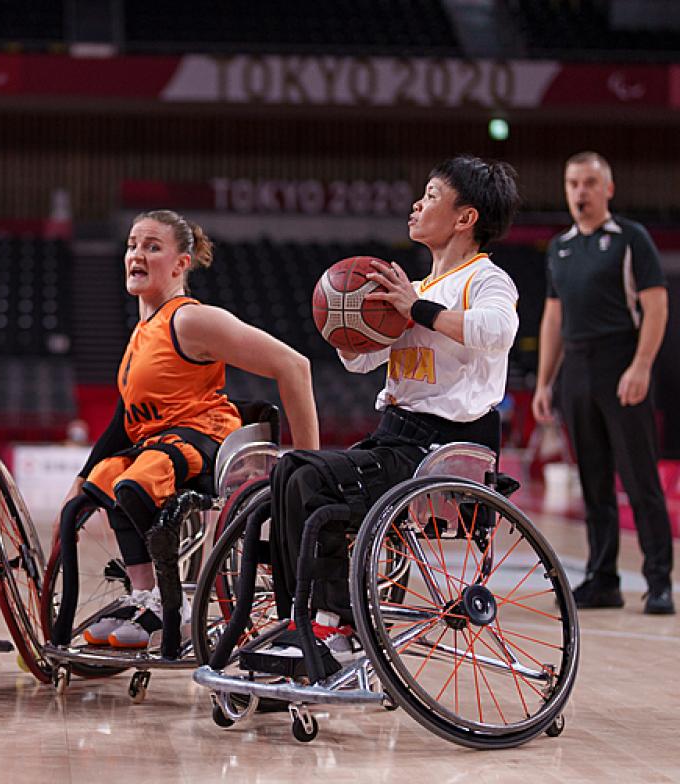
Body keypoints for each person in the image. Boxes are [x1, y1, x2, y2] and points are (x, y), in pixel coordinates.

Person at [253, 155, 522, 668]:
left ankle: (337, 625)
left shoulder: (488, 280)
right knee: (289, 470)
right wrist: (343, 320)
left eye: (432, 195)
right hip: (396, 436)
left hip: (444, 446)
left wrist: (415, 310)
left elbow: (498, 333)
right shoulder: (413, 289)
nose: (417, 204)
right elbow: (362, 362)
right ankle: (299, 619)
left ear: (465, 218)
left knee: (313, 482)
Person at [61, 209, 320, 650]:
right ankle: (144, 599)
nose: (136, 254)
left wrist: (307, 466)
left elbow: (295, 365)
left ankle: (172, 607)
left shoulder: (190, 320)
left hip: (205, 438)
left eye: (152, 246)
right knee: (106, 483)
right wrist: (82, 478)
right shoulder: (143, 330)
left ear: (181, 263)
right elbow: (124, 420)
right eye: (131, 245)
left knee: (136, 482)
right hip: (157, 443)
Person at [532, 151, 673, 615]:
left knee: (638, 478)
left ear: (608, 189)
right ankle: (603, 579)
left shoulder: (631, 239)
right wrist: (544, 382)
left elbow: (656, 307)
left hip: (621, 364)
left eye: (590, 183)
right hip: (576, 369)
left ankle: (658, 582)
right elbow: (553, 318)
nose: (581, 192)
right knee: (591, 480)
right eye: (573, 183)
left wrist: (642, 365)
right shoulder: (560, 247)